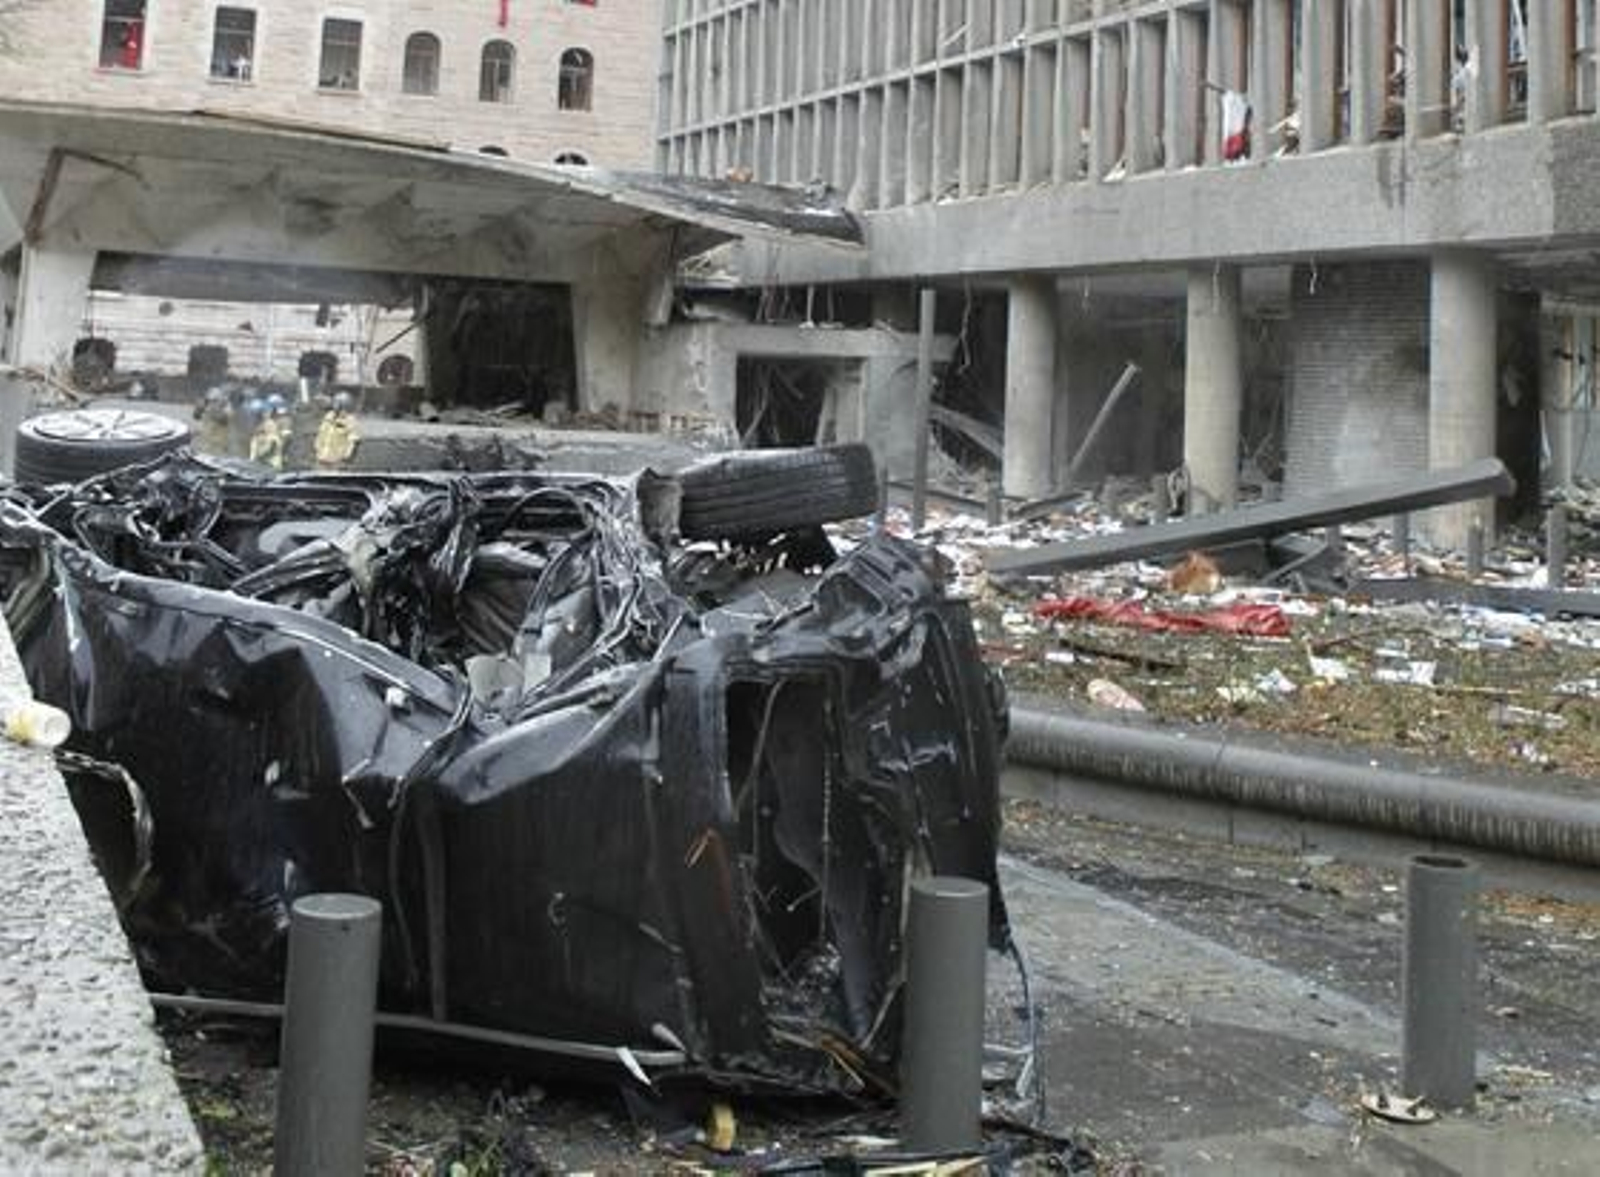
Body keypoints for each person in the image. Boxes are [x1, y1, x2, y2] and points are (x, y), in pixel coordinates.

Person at [314, 392, 360, 469]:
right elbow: (321, 434)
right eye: (335, 404)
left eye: (337, 404)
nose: (335, 406)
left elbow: (353, 442)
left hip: (337, 463)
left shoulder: (350, 421)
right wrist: (317, 448)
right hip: (321, 459)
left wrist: (346, 459)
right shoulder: (329, 416)